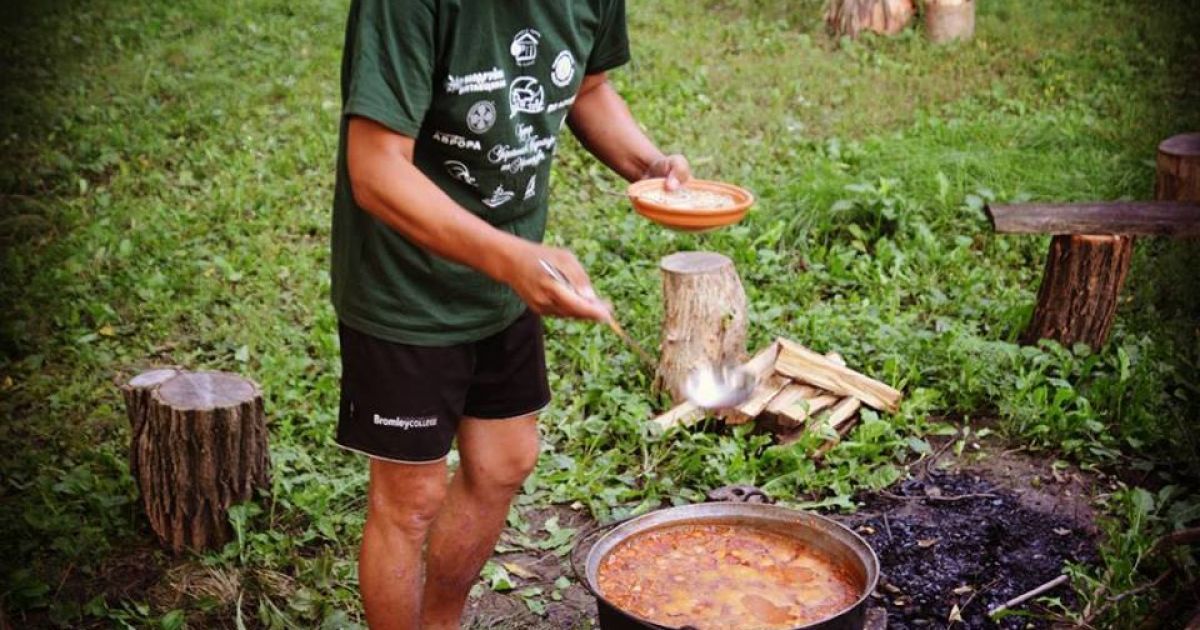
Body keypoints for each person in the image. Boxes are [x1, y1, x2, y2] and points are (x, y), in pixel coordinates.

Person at [330, 0, 690, 627]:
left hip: (507, 270)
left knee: (504, 462)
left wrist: (651, 167)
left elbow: (588, 87)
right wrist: (510, 260)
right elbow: (375, 169)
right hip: (405, 283)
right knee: (411, 499)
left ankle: (441, 623)